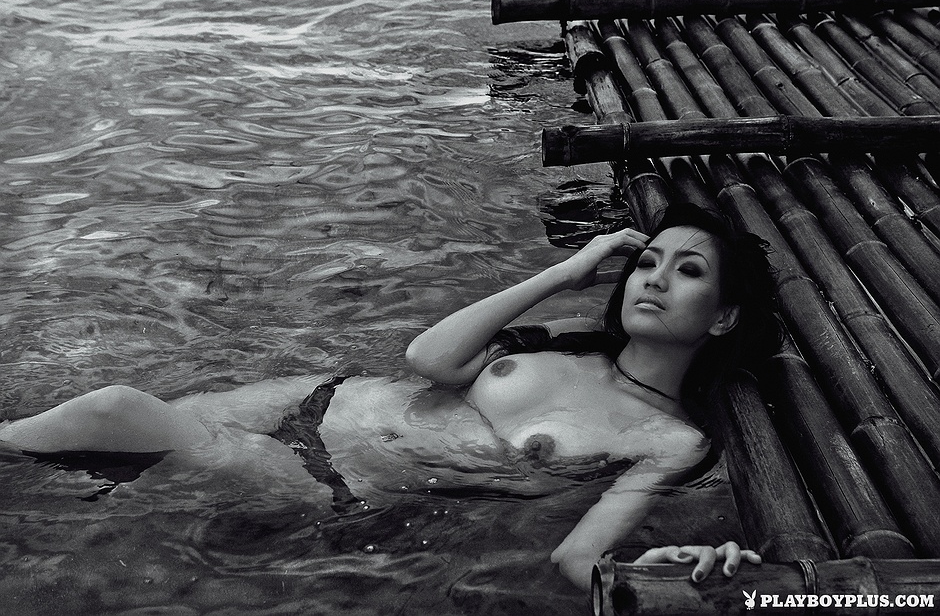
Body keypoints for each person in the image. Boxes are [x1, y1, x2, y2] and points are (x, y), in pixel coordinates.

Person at [0, 203, 779, 591]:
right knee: (71, 441)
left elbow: (577, 558)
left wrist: (663, 567)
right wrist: (566, 271)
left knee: (112, 411)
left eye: (688, 271)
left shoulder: (670, 440)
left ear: (724, 316)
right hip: (317, 397)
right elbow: (429, 358)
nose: (654, 278)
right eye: (649, 260)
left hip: (332, 476)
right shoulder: (575, 333)